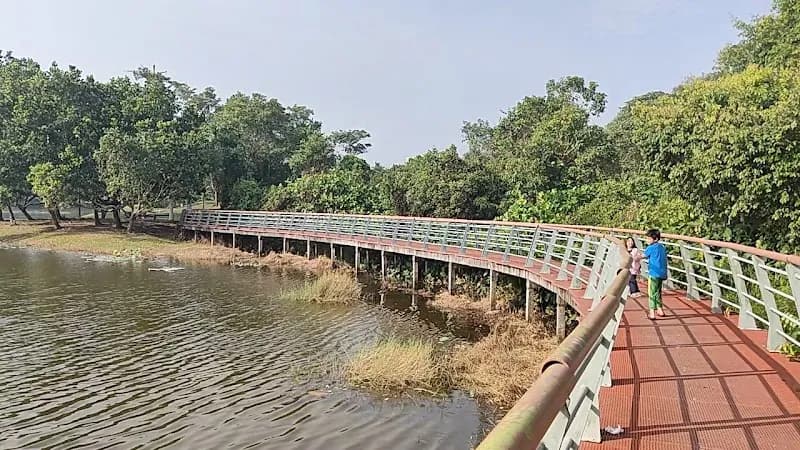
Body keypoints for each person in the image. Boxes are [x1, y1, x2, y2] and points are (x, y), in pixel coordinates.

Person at [642, 229, 668, 320]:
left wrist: (633, 257)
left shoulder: (651, 248)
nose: (647, 240)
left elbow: (643, 256)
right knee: (658, 292)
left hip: (654, 273)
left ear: (655, 239)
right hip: (662, 273)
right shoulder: (662, 247)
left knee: (651, 292)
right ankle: (660, 310)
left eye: (649, 239)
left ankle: (652, 312)